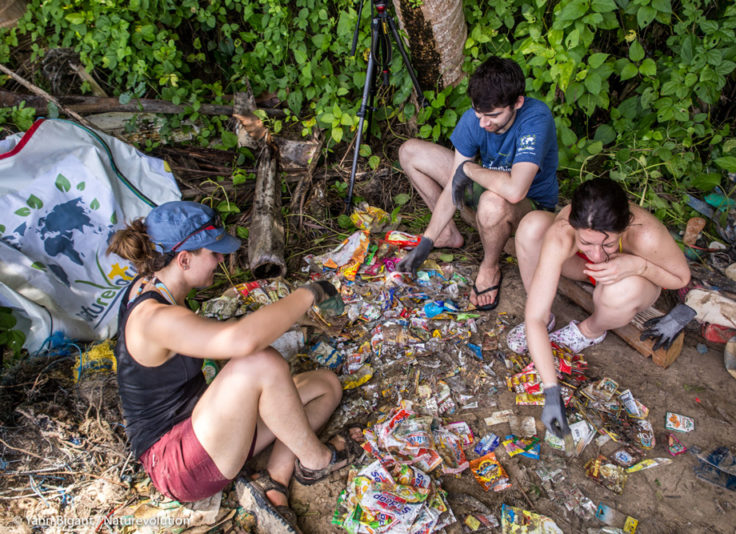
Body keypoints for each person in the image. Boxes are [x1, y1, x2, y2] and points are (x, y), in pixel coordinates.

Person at [107, 201, 355, 533]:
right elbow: (241, 341)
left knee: (325, 385)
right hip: (178, 463)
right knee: (260, 361)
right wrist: (309, 294)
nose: (222, 260)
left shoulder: (154, 283)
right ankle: (319, 461)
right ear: (184, 259)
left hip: (207, 427)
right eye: (214, 253)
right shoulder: (153, 317)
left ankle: (275, 482)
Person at [511, 178, 691, 437]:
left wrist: (638, 265)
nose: (597, 254)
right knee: (531, 225)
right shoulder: (563, 231)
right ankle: (544, 298)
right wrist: (551, 392)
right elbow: (534, 317)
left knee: (621, 290)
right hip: (584, 271)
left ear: (626, 224)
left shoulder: (645, 233)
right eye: (586, 243)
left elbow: (680, 279)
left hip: (631, 281)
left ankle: (590, 330)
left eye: (607, 244)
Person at [397, 55, 559, 311]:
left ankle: (490, 266)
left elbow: (516, 190)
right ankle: (448, 234)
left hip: (529, 208)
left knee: (493, 203)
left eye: (493, 115)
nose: (483, 123)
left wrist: (470, 169)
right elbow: (455, 180)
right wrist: (428, 239)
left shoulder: (535, 119)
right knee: (410, 152)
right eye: (478, 113)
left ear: (517, 102)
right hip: (487, 186)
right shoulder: (477, 118)